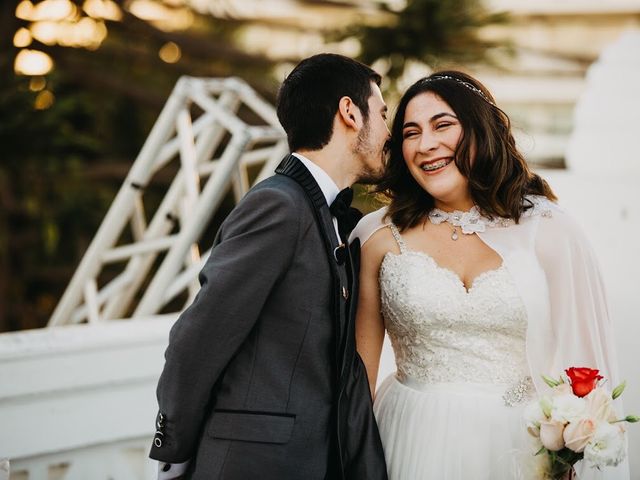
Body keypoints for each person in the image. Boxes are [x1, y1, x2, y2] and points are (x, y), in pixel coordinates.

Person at [351, 71, 629, 479]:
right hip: (407, 438)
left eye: (443, 124)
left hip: (518, 449)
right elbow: (358, 379)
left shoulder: (549, 229)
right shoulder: (377, 235)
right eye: (411, 132)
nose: (426, 144)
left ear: (482, 129)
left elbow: (585, 366)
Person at [149, 53, 390, 480]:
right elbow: (197, 339)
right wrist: (177, 451)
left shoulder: (327, 214)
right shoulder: (278, 204)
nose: (388, 131)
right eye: (383, 113)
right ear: (350, 112)